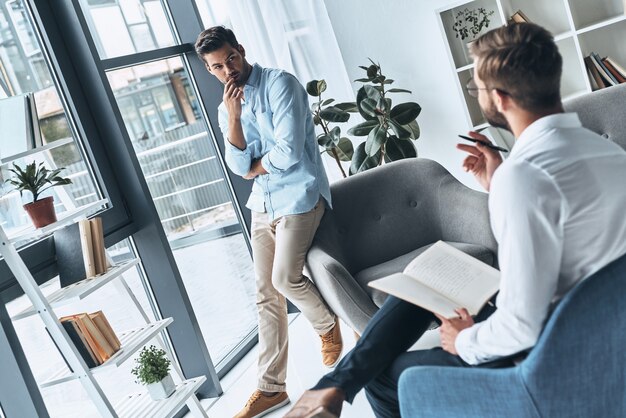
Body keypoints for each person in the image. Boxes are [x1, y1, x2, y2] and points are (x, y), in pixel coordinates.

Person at [285, 22, 626, 418]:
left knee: (382, 375)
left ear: (499, 98)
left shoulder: (527, 177)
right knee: (426, 285)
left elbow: (523, 326)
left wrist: (464, 340)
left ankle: (332, 389)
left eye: (477, 88)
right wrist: (499, 180)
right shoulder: (609, 156)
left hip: (556, 358)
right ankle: (332, 386)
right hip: (602, 328)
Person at [195, 26, 343, 418]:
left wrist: (256, 166)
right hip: (262, 203)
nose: (228, 70)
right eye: (217, 67)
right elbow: (237, 165)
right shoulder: (229, 105)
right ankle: (271, 388)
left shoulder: (281, 84)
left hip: (300, 197)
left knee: (284, 279)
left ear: (241, 51)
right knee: (266, 296)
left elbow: (290, 151)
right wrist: (233, 119)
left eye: (231, 59)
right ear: (209, 71)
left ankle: (326, 324)